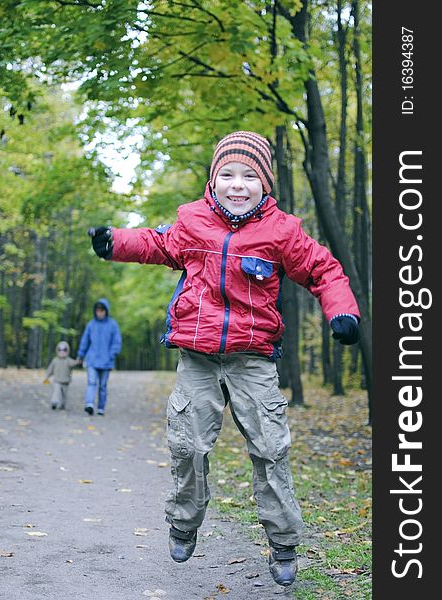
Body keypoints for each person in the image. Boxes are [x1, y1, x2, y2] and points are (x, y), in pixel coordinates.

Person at [88, 131, 360, 587]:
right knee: (188, 445)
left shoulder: (281, 232)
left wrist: (342, 310)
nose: (238, 184)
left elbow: (322, 269)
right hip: (197, 357)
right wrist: (115, 241)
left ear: (265, 184)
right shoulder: (193, 221)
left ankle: (283, 542)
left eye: (250, 175)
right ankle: (183, 521)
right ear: (213, 182)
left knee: (270, 448)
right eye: (227, 174)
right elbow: (157, 244)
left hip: (252, 358)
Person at [77, 298, 122, 416]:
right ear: (95, 311)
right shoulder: (91, 324)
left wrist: (112, 354)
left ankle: (101, 408)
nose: (100, 312)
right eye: (98, 310)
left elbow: (116, 342)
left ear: (106, 311)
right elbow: (85, 341)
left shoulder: (113, 324)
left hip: (106, 361)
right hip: (92, 360)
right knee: (91, 382)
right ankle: (89, 404)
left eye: (102, 310)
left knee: (102, 385)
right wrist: (81, 355)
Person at [43, 341, 80, 410]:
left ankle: (62, 404)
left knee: (64, 394)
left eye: (64, 350)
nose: (62, 352)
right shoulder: (55, 360)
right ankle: (54, 402)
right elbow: (50, 369)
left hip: (66, 381)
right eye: (60, 350)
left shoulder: (68, 360)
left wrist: (78, 361)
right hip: (57, 381)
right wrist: (47, 376)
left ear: (67, 351)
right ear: (57, 351)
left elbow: (74, 363)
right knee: (56, 392)